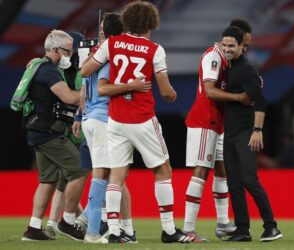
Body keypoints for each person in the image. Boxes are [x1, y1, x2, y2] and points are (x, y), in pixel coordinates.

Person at [81, 1, 193, 244]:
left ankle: (115, 231)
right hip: (142, 118)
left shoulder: (111, 44)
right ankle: (168, 230)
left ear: (128, 21)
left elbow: (85, 71)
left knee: (117, 176)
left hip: (116, 120)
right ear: (151, 24)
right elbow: (165, 91)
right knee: (163, 169)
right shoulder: (155, 50)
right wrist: (171, 93)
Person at [73, 12, 137, 244]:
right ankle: (92, 229)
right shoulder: (113, 56)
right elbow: (102, 89)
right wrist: (133, 86)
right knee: (107, 174)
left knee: (109, 173)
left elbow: (83, 89)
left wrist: (80, 115)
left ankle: (90, 219)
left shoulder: (94, 55)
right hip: (102, 119)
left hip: (91, 117)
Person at [183, 31, 252, 241]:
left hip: (220, 123)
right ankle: (188, 229)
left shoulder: (228, 60)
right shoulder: (214, 56)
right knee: (201, 171)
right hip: (206, 121)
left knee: (222, 170)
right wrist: (239, 97)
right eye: (244, 45)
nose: (243, 50)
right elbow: (210, 91)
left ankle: (223, 223)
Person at [21, 30, 87, 241]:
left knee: (48, 180)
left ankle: (33, 228)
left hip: (37, 130)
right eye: (69, 51)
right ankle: (67, 222)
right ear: (57, 50)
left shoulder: (40, 65)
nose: (71, 54)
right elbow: (69, 97)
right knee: (79, 170)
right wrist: (89, 93)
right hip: (48, 132)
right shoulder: (48, 71)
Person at [223, 26, 282, 242]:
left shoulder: (245, 68)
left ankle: (271, 227)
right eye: (224, 45)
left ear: (241, 47)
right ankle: (242, 230)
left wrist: (257, 131)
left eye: (232, 45)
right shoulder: (229, 67)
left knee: (249, 179)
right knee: (234, 184)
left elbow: (260, 100)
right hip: (230, 133)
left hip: (245, 132)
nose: (227, 49)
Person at [45, 31, 86, 240]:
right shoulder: (75, 70)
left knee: (68, 178)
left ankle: (64, 221)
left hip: (74, 125)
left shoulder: (79, 68)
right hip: (75, 127)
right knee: (72, 177)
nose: (69, 54)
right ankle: (68, 222)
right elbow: (76, 97)